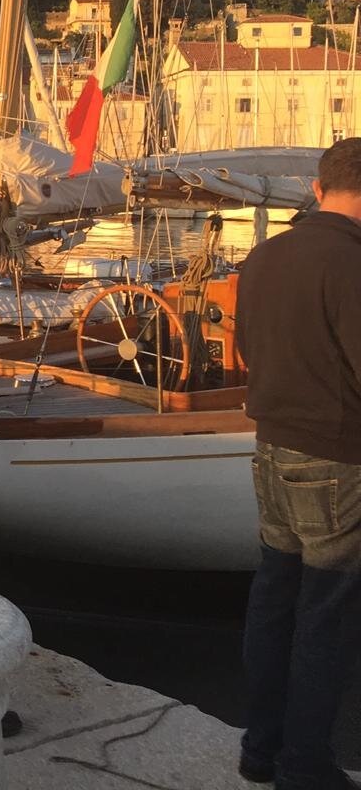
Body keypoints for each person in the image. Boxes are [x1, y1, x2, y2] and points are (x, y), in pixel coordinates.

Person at [236, 137, 361, 790]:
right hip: (337, 458)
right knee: (326, 618)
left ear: (317, 189)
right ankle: (306, 765)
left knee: (274, 600)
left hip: (270, 449)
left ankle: (261, 749)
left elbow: (247, 352)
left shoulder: (263, 256)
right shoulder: (352, 265)